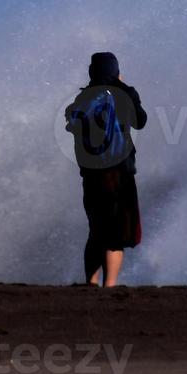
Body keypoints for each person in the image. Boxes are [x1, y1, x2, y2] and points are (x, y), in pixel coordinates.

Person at [63, 52, 147, 287]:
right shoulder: (124, 95)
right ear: (115, 71)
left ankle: (90, 282)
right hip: (119, 174)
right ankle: (109, 285)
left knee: (97, 230)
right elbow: (140, 120)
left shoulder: (81, 100)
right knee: (116, 234)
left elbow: (72, 124)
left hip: (91, 175)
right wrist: (122, 85)